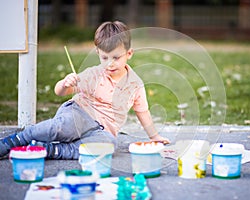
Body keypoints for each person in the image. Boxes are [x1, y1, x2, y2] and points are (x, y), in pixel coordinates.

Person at [0, 21, 170, 159]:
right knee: (62, 127)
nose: (110, 63)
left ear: (129, 53)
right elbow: (60, 92)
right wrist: (65, 83)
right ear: (98, 52)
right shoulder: (94, 75)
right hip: (79, 114)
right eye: (104, 57)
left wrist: (154, 136)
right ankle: (18, 139)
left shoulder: (135, 85)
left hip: (101, 131)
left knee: (109, 146)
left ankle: (49, 150)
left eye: (116, 58)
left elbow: (143, 112)